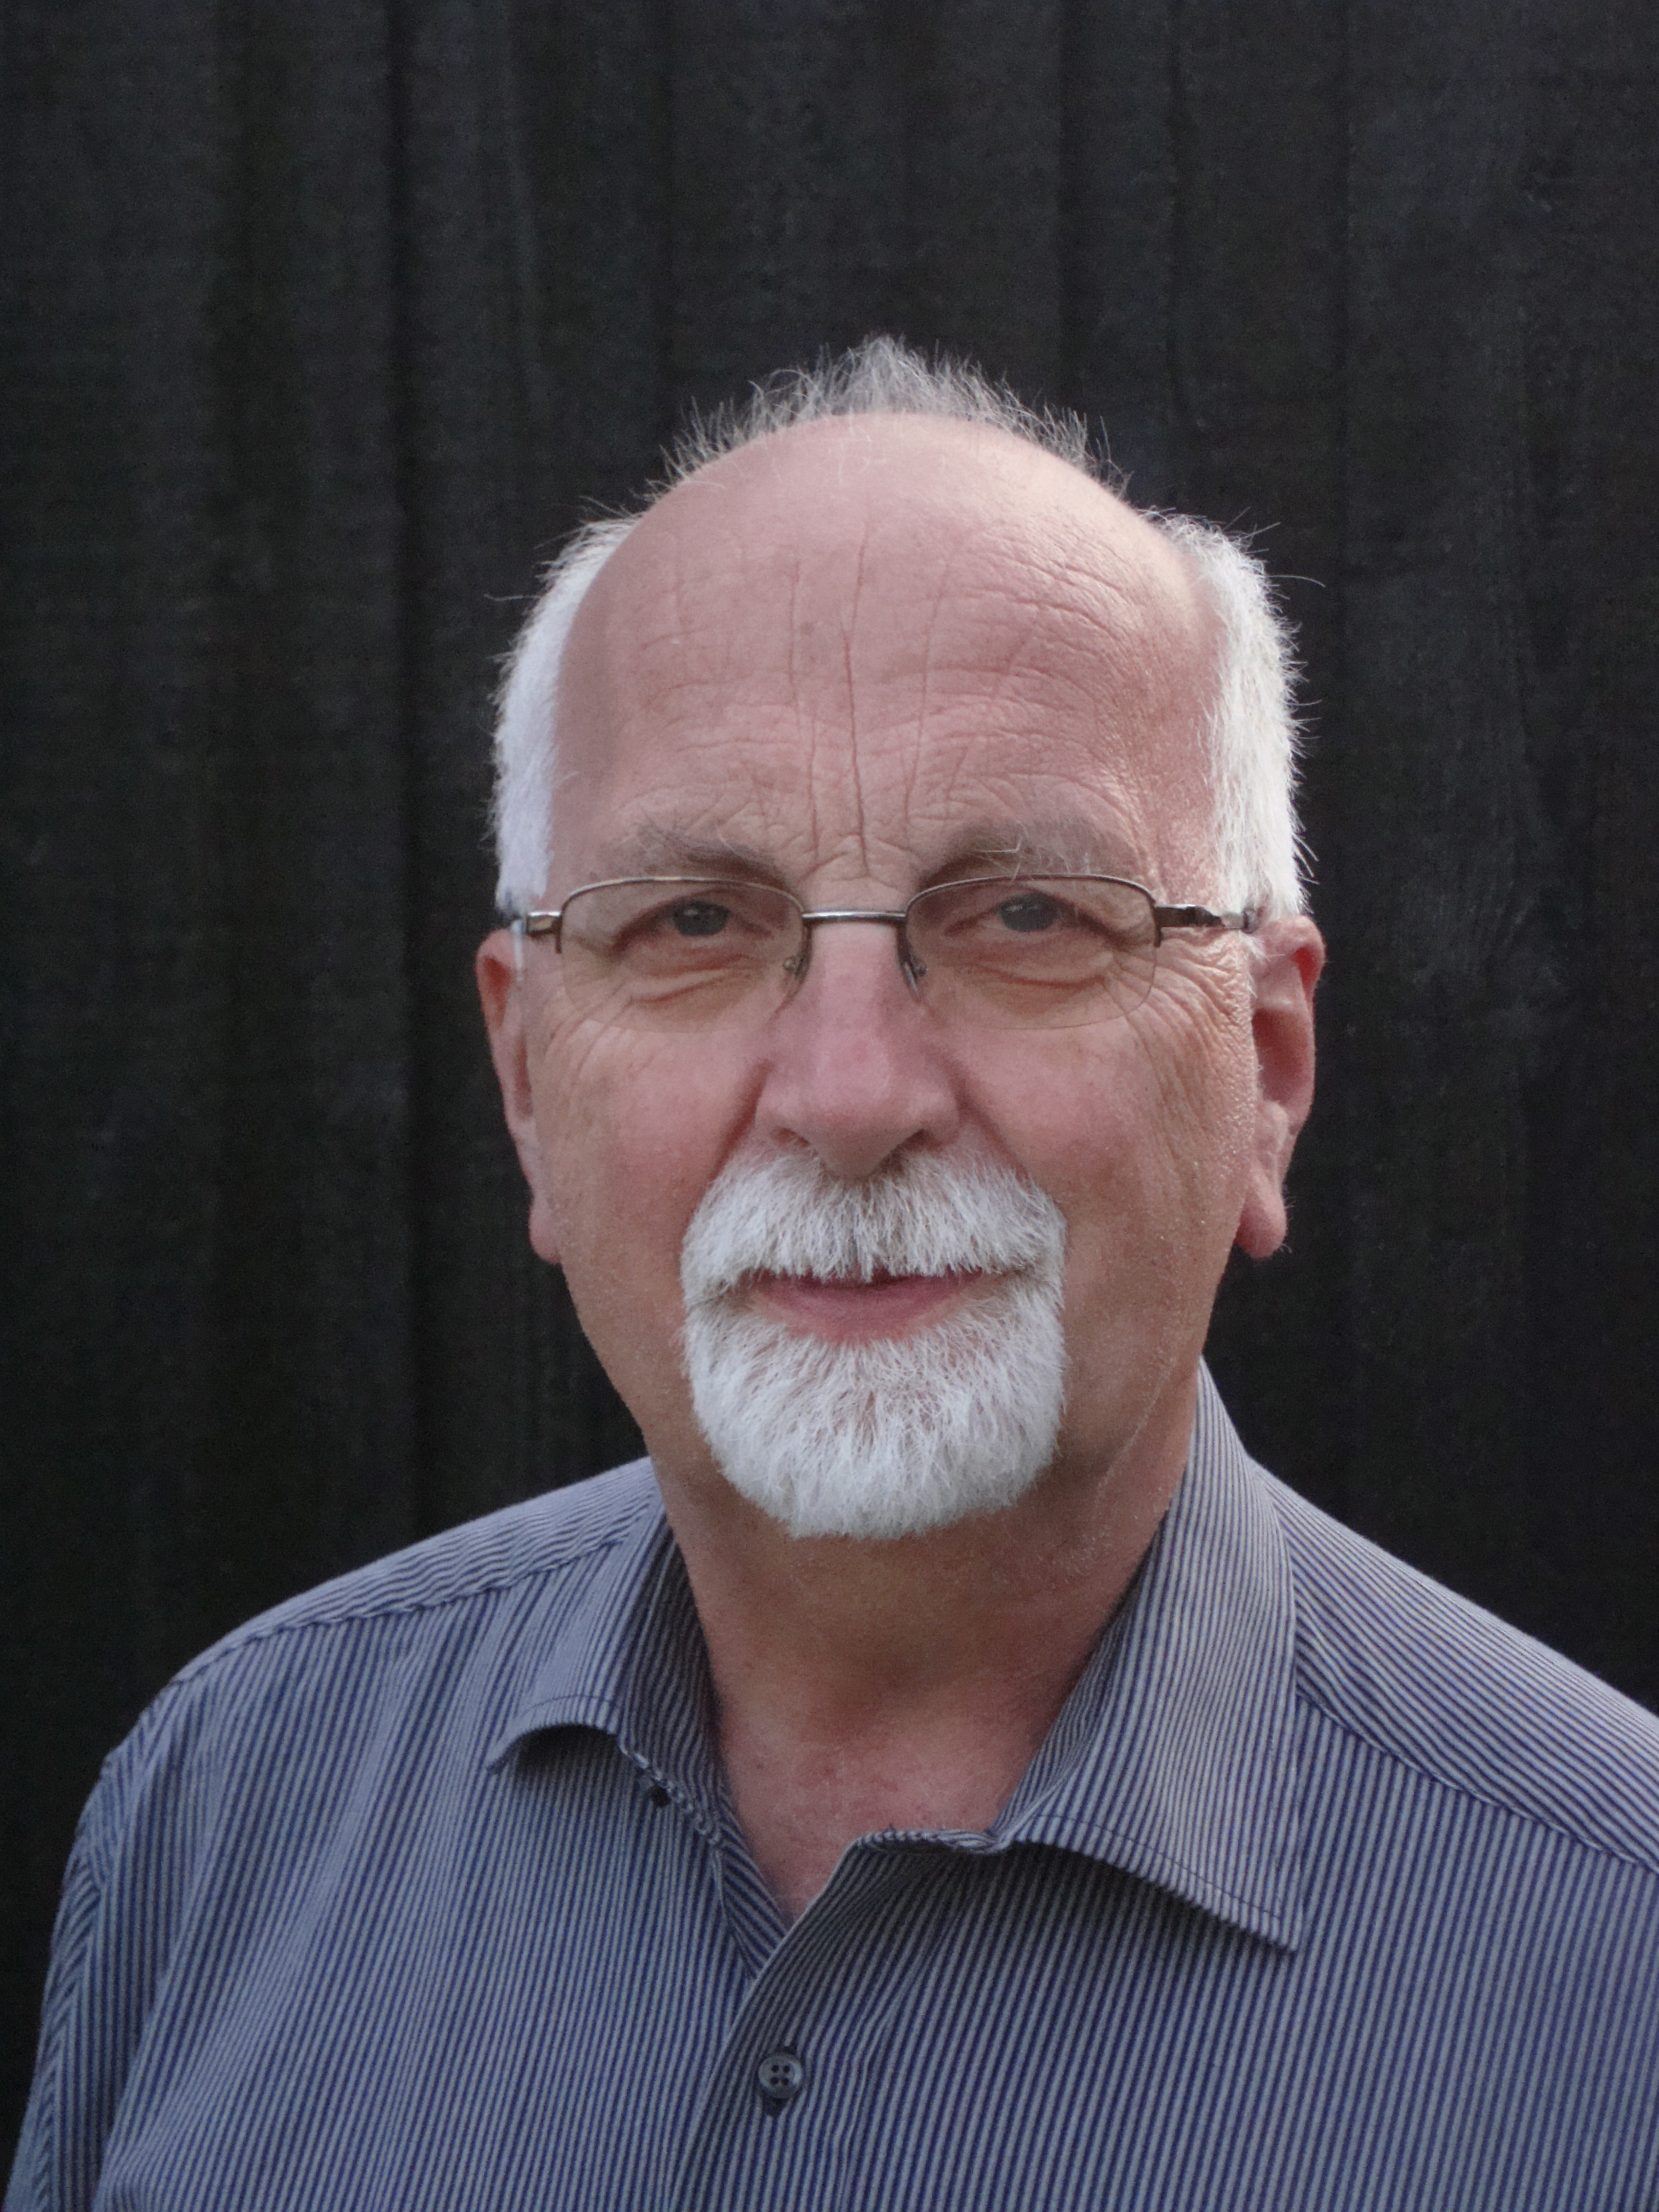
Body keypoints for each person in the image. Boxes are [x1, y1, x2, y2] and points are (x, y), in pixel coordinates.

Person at [10, 340, 1659, 2211]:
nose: (853, 1097)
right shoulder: (229, 1807)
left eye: (1027, 913)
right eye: (696, 921)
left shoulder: (1616, 1978)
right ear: (530, 1080)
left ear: (1266, 1072)